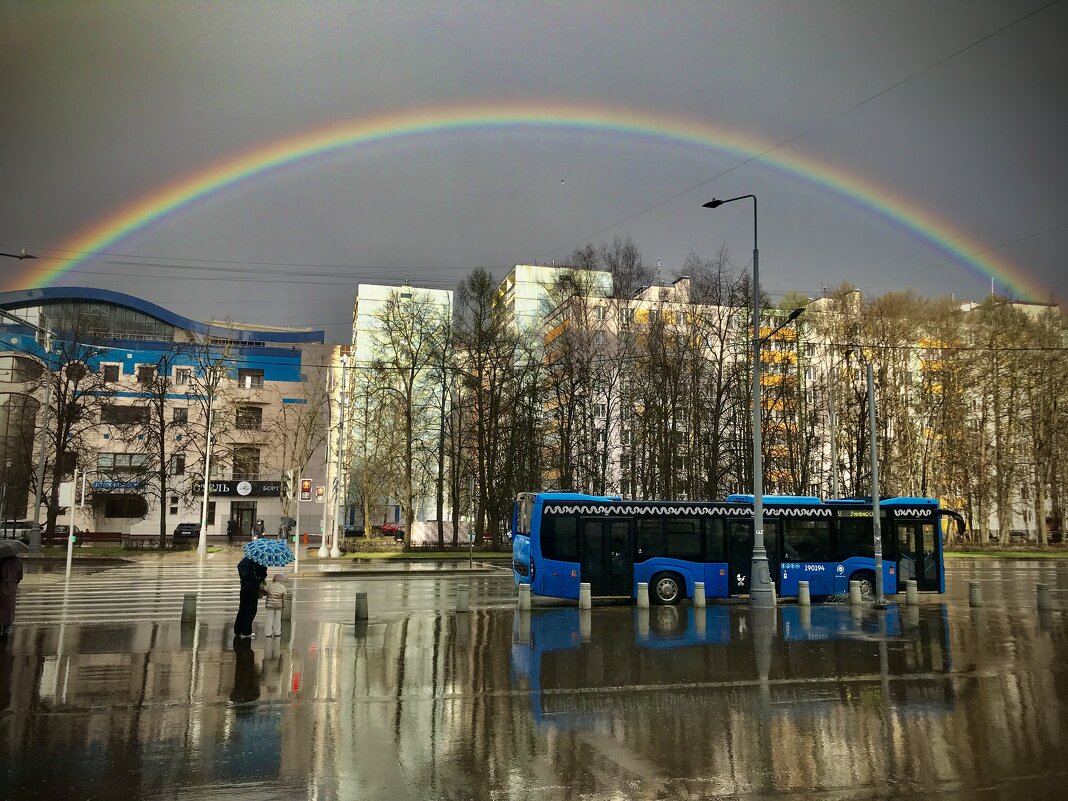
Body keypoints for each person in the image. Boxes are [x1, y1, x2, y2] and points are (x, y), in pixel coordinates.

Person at [233, 555, 267, 638]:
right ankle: (246, 631)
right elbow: (262, 574)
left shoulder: (245, 560)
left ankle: (237, 630)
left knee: (243, 608)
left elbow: (241, 569)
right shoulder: (258, 561)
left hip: (244, 587)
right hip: (253, 587)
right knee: (251, 609)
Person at [0, 551, 23, 639]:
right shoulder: (18, 561)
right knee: (9, 609)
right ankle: (6, 631)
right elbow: (20, 576)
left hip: (2, 586)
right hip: (12, 587)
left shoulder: (2, 560)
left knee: (1, 608)